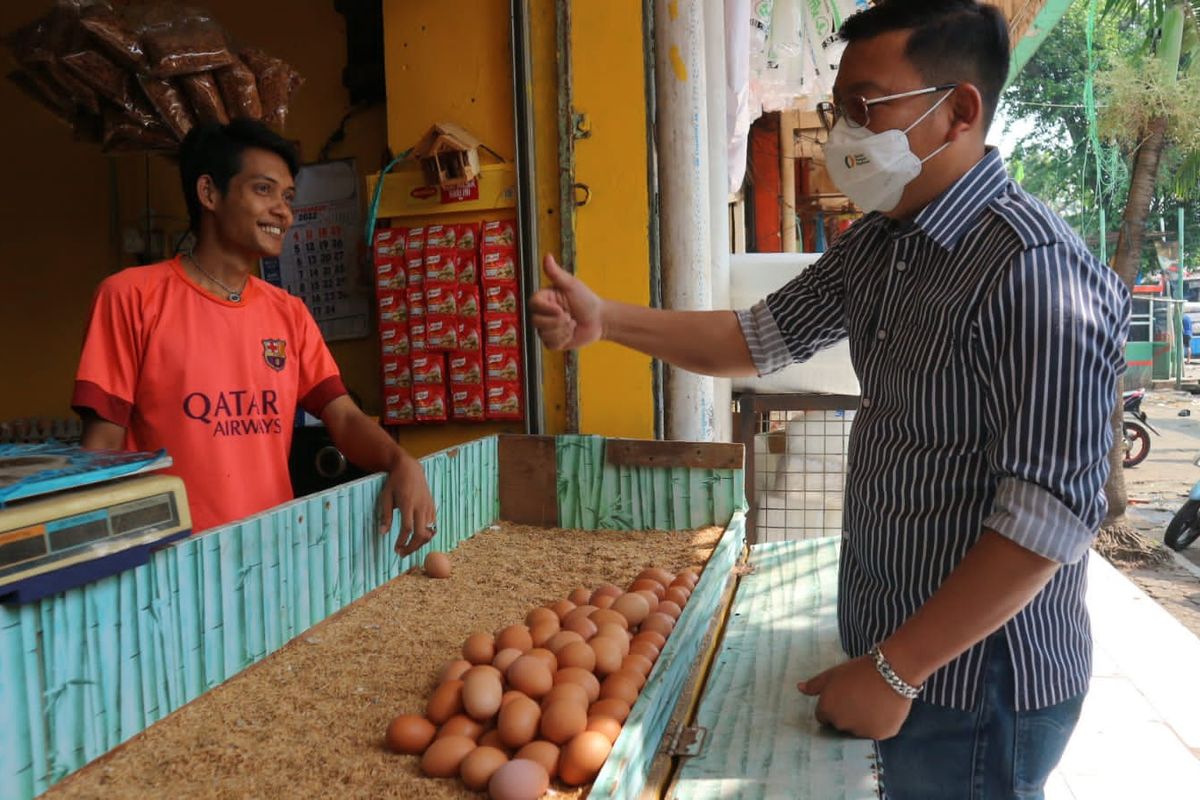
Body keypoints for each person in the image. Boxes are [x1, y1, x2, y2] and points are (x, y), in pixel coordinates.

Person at [529, 1, 1129, 797]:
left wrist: (896, 669)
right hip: (900, 660)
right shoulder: (884, 243)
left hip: (977, 690)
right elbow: (757, 339)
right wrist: (607, 321)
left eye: (866, 107)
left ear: (959, 110)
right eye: (838, 107)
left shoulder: (1033, 270)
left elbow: (1046, 516)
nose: (845, 131)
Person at [73, 119, 436, 554]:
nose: (284, 211)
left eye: (287, 197)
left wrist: (400, 460)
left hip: (270, 558)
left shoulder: (289, 313)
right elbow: (102, 448)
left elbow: (343, 417)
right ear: (209, 193)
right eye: (264, 190)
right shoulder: (131, 296)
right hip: (167, 563)